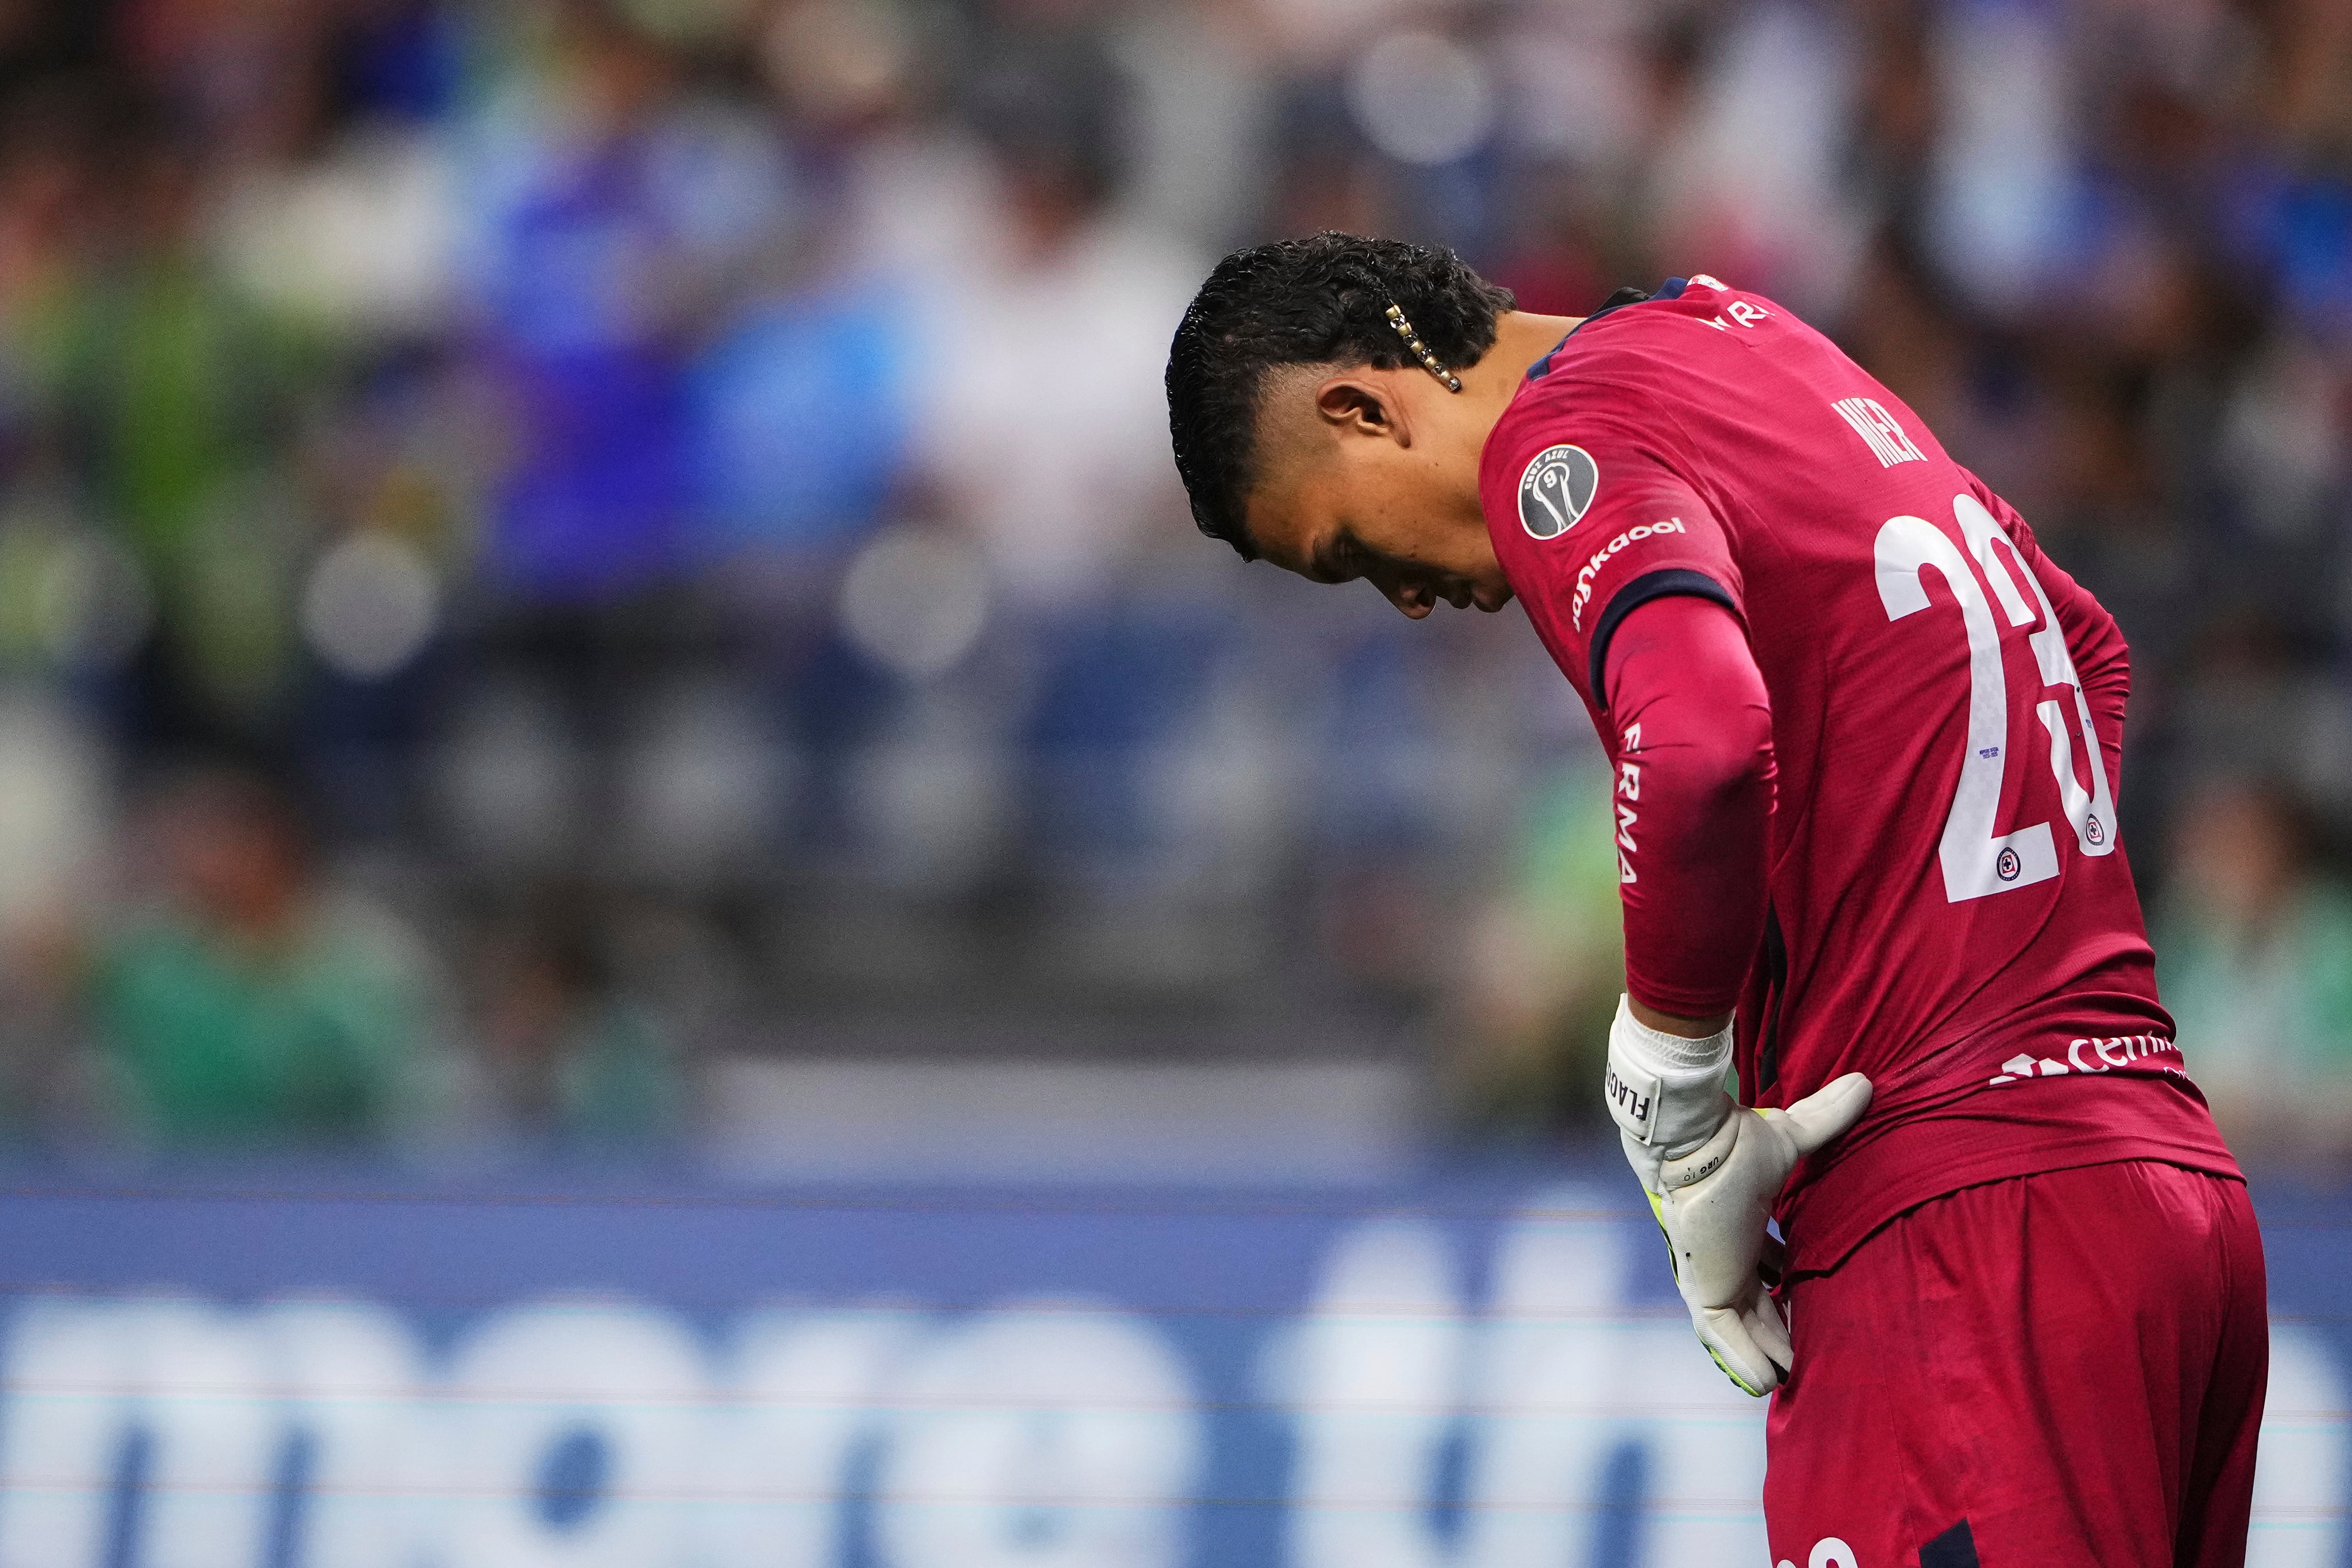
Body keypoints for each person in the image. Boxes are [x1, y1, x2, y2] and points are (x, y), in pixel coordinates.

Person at [1164, 234, 2259, 1565]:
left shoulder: (1557, 445)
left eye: (1347, 551)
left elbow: (1695, 740)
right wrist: (2005, 959)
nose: (1403, 601)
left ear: (1366, 405)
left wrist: (1676, 1077)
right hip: (2161, 1187)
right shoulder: (1746, 340)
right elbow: (2081, 637)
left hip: (1962, 1233)